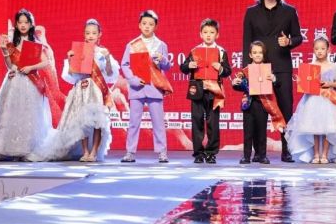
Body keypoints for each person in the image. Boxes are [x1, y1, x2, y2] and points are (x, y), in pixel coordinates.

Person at [29, 19, 119, 162]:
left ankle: (94, 152)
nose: (90, 35)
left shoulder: (102, 52)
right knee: (81, 122)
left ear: (99, 34)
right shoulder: (78, 51)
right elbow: (70, 76)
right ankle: (85, 151)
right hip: (81, 90)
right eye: (87, 33)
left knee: (97, 122)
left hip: (97, 90)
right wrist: (71, 60)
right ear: (84, 34)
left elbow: (110, 74)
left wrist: (107, 58)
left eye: (94, 33)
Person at [0, 9, 55, 161]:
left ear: (31, 24)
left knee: (28, 115)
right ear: (16, 24)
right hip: (14, 81)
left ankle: (27, 149)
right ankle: (10, 149)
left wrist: (31, 67)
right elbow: (10, 66)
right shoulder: (12, 43)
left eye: (26, 22)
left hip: (30, 82)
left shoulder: (35, 43)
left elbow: (46, 62)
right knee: (11, 114)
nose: (23, 25)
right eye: (20, 22)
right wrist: (4, 52)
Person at [242, 0, 301, 162]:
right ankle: (259, 152)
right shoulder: (251, 12)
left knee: (285, 108)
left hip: (281, 66)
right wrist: (247, 71)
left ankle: (287, 150)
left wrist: (289, 41)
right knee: (258, 111)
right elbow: (246, 42)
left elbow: (298, 37)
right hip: (258, 68)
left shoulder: (289, 11)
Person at [120, 10, 173, 163]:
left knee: (158, 123)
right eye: (144, 23)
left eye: (150, 24)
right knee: (134, 122)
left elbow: (167, 66)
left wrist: (163, 60)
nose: (147, 26)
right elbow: (125, 64)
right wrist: (133, 80)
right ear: (139, 25)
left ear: (155, 26)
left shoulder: (161, 45)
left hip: (154, 88)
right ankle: (130, 152)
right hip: (137, 88)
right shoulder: (132, 45)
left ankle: (162, 152)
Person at [285, 36, 336, 163]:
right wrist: (302, 81)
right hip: (313, 99)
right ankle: (316, 154)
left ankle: (324, 154)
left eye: (322, 48)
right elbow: (305, 84)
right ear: (313, 50)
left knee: (328, 128)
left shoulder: (333, 66)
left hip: (328, 100)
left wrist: (329, 84)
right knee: (314, 127)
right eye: (317, 49)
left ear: (328, 50)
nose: (320, 51)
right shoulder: (310, 66)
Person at [179, 18, 232, 164]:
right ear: (200, 34)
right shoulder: (194, 50)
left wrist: (220, 68)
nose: (208, 35)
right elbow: (183, 68)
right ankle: (198, 153)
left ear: (217, 34)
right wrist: (189, 65)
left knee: (213, 122)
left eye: (212, 32)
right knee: (197, 121)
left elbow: (228, 71)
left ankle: (211, 153)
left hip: (214, 91)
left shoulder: (221, 52)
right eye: (205, 32)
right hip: (197, 89)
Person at [232, 41, 286, 164]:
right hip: (249, 104)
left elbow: (278, 84)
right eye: (255, 52)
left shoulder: (267, 70)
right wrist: (235, 83)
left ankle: (262, 156)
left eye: (260, 53)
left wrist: (274, 79)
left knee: (261, 131)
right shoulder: (244, 71)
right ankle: (246, 156)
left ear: (263, 54)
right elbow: (237, 85)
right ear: (250, 55)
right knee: (248, 132)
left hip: (263, 104)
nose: (257, 55)